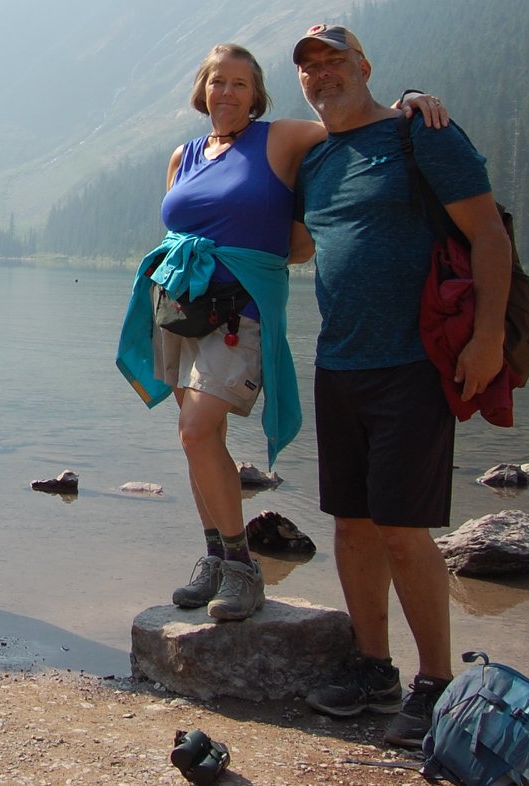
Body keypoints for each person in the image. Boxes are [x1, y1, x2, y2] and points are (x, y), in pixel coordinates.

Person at [115, 45, 447, 622]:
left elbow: (347, 122)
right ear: (203, 89)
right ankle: (215, 557)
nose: (228, 92)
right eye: (218, 82)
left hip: (240, 308)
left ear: (257, 94)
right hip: (181, 303)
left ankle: (244, 567)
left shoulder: (282, 138)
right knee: (197, 438)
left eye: (241, 84)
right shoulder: (184, 154)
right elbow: (179, 219)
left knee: (198, 430)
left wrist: (406, 103)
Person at [291, 23, 509, 749]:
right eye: (311, 68)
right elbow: (289, 245)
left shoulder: (423, 133)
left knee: (403, 528)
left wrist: (487, 338)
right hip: (339, 363)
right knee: (351, 524)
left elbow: (488, 235)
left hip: (414, 364)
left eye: (336, 61)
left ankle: (438, 684)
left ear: (365, 66)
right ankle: (373, 668)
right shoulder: (316, 160)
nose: (324, 75)